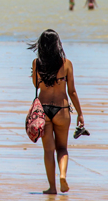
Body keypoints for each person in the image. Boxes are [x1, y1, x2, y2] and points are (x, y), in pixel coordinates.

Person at [28, 29, 84, 195]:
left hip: (43, 110)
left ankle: (52, 187)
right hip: (62, 109)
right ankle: (63, 175)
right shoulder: (66, 63)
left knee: (48, 150)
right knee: (62, 148)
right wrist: (80, 113)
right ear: (57, 44)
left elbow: (36, 86)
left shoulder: (37, 63)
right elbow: (72, 91)